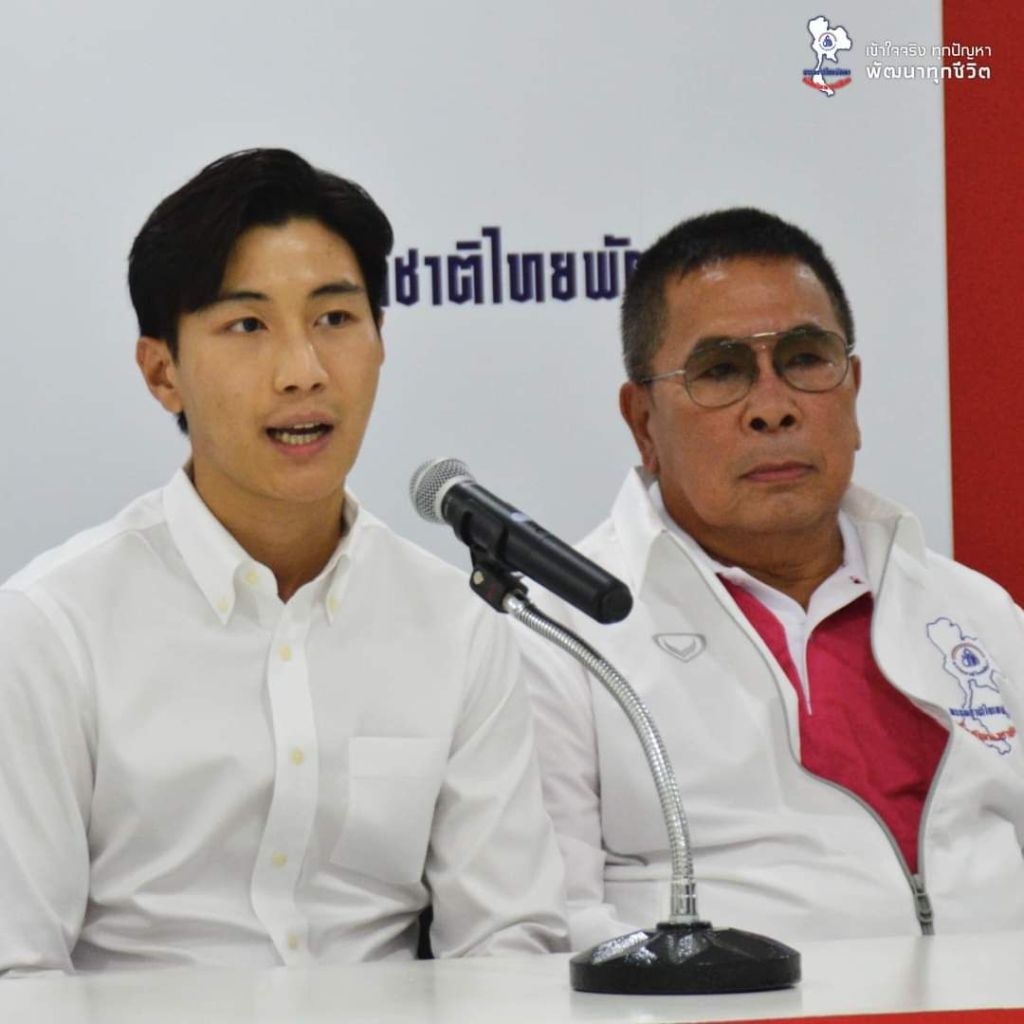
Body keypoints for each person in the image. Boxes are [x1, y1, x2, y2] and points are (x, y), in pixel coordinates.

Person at [0, 148, 567, 975]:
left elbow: (507, 945)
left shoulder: (457, 625)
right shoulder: (52, 630)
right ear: (162, 373)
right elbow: (16, 973)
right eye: (248, 326)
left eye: (335, 319)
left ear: (380, 341)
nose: (304, 372)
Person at [520, 208, 1024, 950]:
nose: (773, 408)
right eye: (721, 371)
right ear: (643, 422)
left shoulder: (977, 611)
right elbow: (544, 928)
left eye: (805, 359)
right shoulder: (557, 632)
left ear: (853, 390)